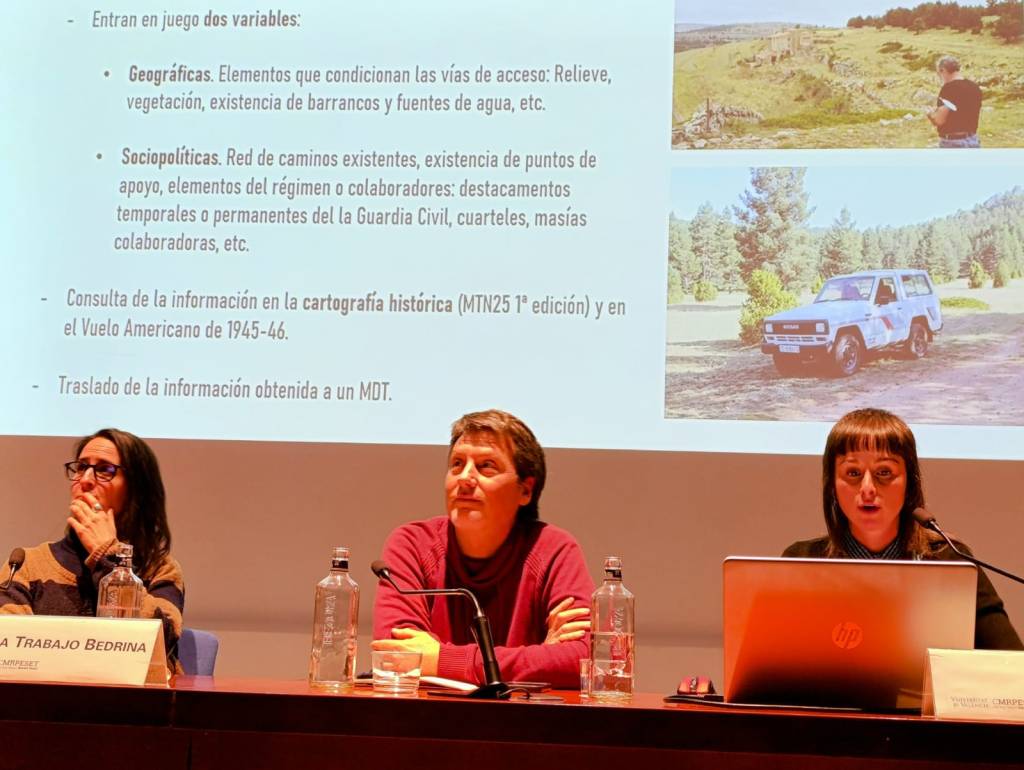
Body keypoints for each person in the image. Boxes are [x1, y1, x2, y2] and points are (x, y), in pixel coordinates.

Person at [372, 409, 593, 688]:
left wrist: (444, 660)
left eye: (486, 466)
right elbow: (397, 656)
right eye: (456, 464)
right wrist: (541, 658)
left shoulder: (553, 550)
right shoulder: (413, 545)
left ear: (525, 490)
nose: (464, 478)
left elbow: (585, 660)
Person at [783, 408, 1021, 650]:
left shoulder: (949, 561)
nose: (868, 488)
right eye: (853, 473)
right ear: (832, 485)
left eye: (884, 472)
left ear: (909, 483)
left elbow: (1011, 659)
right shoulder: (801, 562)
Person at [0, 428, 186, 669]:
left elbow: (161, 644)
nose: (85, 480)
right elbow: (9, 656)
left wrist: (107, 556)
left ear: (136, 489)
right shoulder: (26, 563)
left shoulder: (159, 569)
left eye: (105, 470)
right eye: (81, 467)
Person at [926, 55, 982, 148]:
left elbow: (939, 120)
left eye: (938, 73)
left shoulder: (948, 89)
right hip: (973, 140)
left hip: (953, 142)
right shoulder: (974, 87)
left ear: (943, 70)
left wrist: (930, 114)